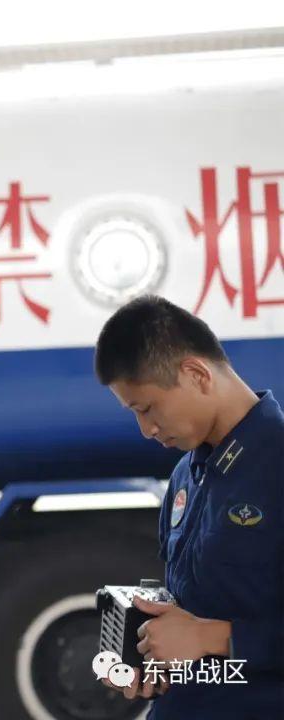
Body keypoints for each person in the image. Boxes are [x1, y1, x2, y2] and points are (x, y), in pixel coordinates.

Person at [94, 294, 283, 718]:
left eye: (147, 408)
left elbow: (207, 640)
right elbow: (191, 623)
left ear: (196, 374)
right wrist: (151, 658)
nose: (145, 429)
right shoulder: (185, 476)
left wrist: (213, 638)